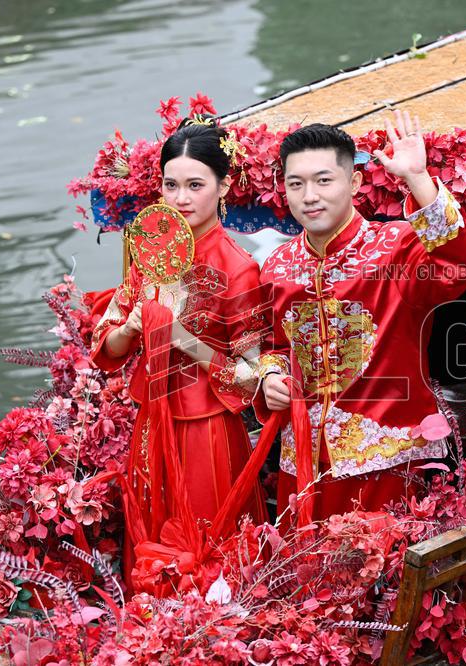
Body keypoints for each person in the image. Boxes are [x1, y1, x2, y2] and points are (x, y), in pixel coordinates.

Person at [256, 110, 466, 520]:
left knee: (385, 577)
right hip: (306, 465)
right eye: (296, 184)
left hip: (391, 462)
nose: (309, 195)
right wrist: (271, 376)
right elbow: (274, 345)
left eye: (323, 180)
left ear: (355, 182)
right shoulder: (277, 267)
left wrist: (418, 178)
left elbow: (464, 261)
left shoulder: (395, 248)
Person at [90, 118, 269, 572]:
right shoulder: (149, 251)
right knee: (152, 534)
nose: (181, 198)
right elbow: (108, 348)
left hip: (207, 430)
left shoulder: (238, 269)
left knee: (205, 550)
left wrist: (183, 340)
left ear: (224, 187)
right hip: (151, 423)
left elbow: (251, 377)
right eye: (172, 185)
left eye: (195, 185)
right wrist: (132, 328)